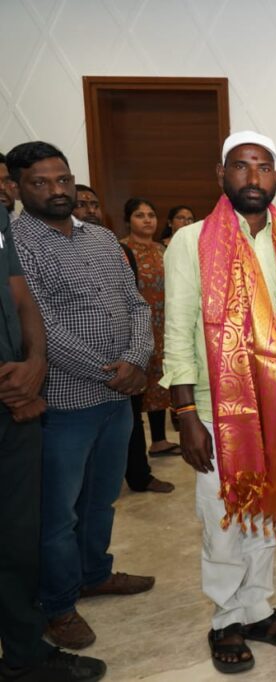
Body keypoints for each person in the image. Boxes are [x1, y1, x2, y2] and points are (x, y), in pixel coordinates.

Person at [162, 130, 276, 674]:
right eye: (241, 166)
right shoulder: (191, 241)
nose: (252, 177)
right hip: (217, 407)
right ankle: (225, 620)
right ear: (222, 176)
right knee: (222, 517)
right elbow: (179, 330)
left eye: (263, 168)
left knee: (269, 509)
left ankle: (257, 608)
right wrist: (186, 415)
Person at [8, 141, 155, 651]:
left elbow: (136, 304)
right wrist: (107, 372)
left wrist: (137, 360)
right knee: (58, 513)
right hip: (66, 403)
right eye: (41, 183)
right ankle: (58, 603)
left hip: (117, 399)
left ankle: (95, 572)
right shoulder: (18, 245)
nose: (57, 190)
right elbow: (38, 324)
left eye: (64, 179)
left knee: (102, 499)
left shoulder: (99, 238)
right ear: (18, 187)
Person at [0, 204, 107, 681]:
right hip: (38, 392)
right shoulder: (27, 235)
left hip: (24, 394)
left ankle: (24, 651)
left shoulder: (4, 225)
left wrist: (33, 365)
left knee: (19, 535)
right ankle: (47, 618)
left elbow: (21, 299)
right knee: (53, 517)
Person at [120, 199, 179, 459]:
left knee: (160, 383)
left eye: (151, 215)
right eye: (139, 215)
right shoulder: (120, 249)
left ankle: (159, 441)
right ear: (128, 220)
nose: (147, 220)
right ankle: (135, 454)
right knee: (138, 385)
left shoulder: (163, 250)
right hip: (137, 327)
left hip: (165, 325)